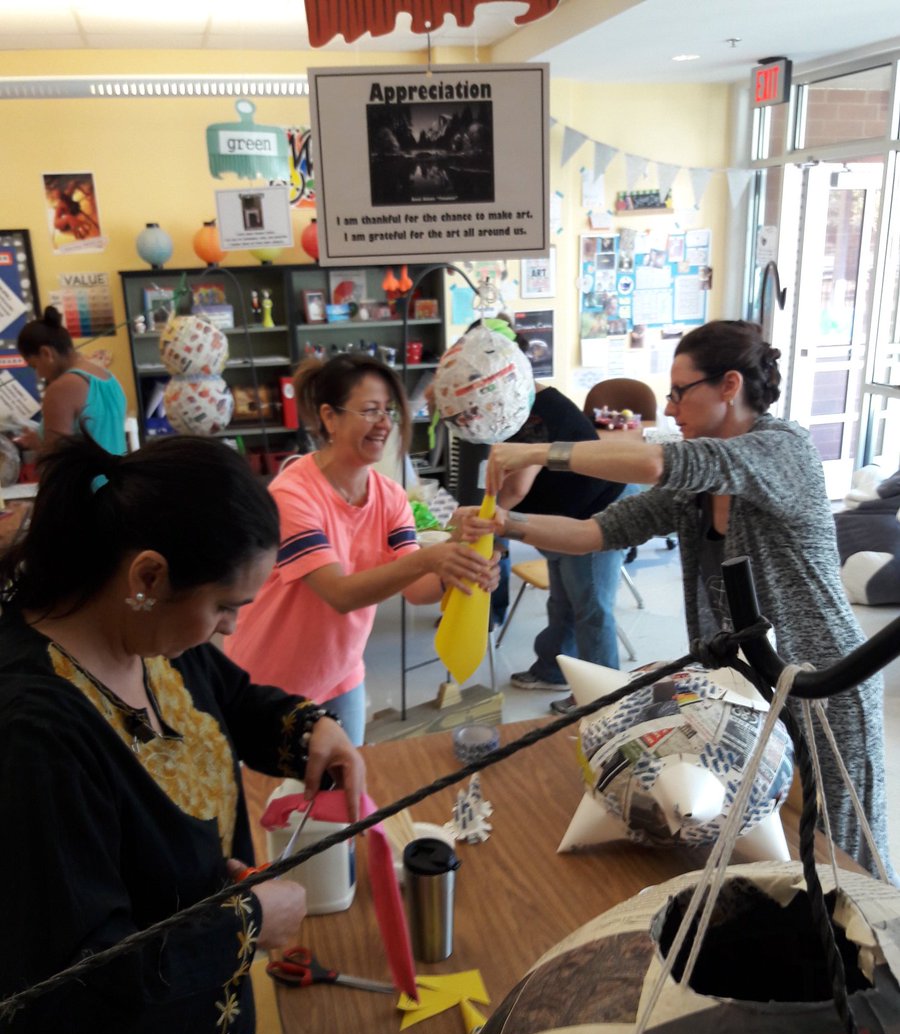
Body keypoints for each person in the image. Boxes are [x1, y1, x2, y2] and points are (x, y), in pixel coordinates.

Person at [0, 434, 366, 1034]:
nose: (231, 627)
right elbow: (70, 987)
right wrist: (247, 920)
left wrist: (309, 728)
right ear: (148, 574)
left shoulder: (143, 632)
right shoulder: (33, 736)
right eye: (227, 607)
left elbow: (228, 698)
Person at [456, 320, 890, 877]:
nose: (671, 406)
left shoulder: (784, 449)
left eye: (681, 392)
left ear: (729, 385)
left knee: (845, 856)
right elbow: (594, 533)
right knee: (763, 843)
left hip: (826, 685)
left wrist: (536, 450)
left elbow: (658, 462)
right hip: (749, 696)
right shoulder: (693, 490)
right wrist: (505, 524)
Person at [225, 353, 498, 745]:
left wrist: (462, 559)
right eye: (370, 411)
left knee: (342, 798)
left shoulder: (390, 497)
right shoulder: (292, 494)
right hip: (270, 682)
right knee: (278, 801)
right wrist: (433, 556)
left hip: (341, 676)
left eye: (388, 411)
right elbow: (339, 594)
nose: (384, 424)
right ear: (329, 418)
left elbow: (418, 589)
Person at [455, 318, 630, 715]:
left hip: (592, 514)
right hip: (557, 516)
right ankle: (554, 668)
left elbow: (515, 489)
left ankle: (602, 699)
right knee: (563, 600)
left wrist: (491, 530)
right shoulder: (510, 402)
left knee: (590, 606)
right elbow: (505, 479)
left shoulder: (534, 410)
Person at [15, 305, 127, 454]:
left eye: (35, 366)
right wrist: (40, 438)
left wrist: (39, 444)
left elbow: (58, 459)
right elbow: (98, 435)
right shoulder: (108, 377)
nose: (39, 375)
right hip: (119, 475)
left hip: (86, 477)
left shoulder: (61, 389)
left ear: (46, 353)